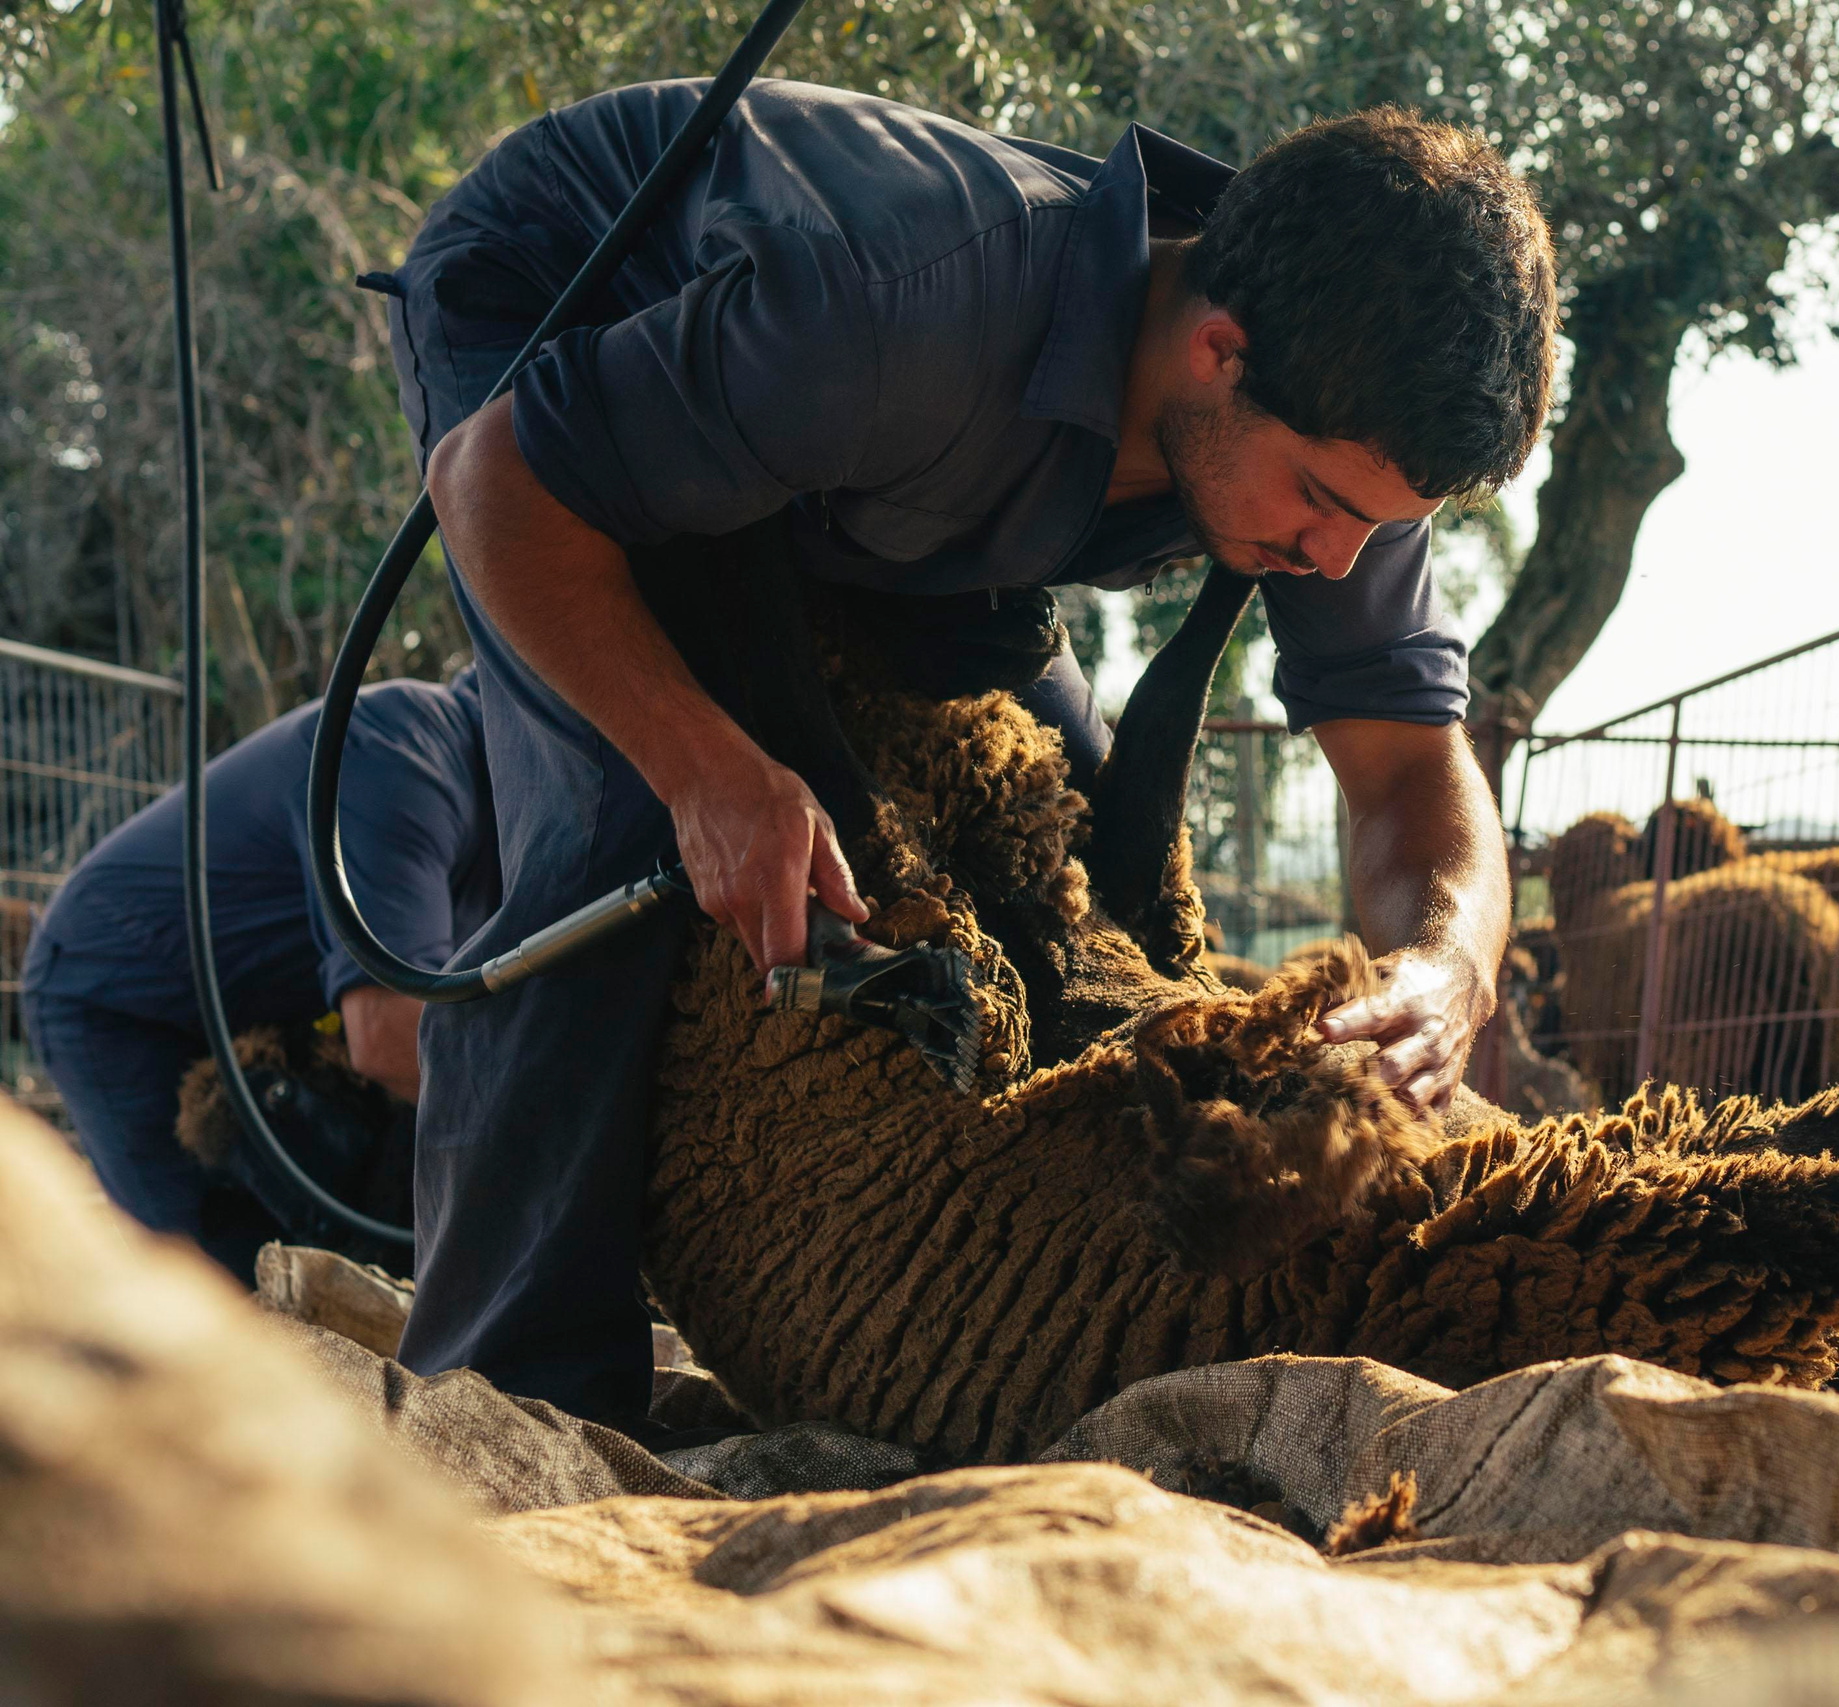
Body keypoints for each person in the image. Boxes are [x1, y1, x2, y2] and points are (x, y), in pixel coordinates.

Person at [374, 83, 1557, 1426]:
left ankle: (1063, 1280)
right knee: (621, 844)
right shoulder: (898, 309)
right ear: (1217, 351)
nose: (1337, 560)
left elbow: (1411, 767)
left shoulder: (1345, 410)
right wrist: (705, 766)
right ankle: (502, 1389)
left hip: (884, 471)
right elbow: (496, 487)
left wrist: (1450, 964)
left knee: (1088, 849)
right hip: (572, 316)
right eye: (1325, 506)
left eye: (1378, 527)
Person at [21, 673, 499, 1283]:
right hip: (116, 996)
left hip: (269, 1011)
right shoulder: (403, 750)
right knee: (215, 1291)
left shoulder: (521, 815)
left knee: (338, 1268)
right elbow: (389, 1034)